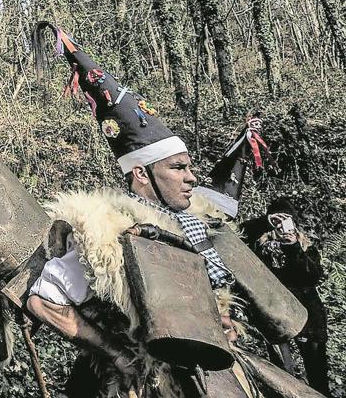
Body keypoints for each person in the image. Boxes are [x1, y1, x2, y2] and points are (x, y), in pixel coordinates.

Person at [26, 23, 242, 397]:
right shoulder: (108, 232)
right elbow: (43, 300)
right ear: (141, 173)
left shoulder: (195, 225)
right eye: (177, 168)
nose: (191, 178)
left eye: (189, 167)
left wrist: (222, 323)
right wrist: (116, 354)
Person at [243, 197, 330, 395]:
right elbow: (239, 234)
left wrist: (293, 248)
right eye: (278, 221)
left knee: (318, 376)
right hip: (275, 316)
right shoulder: (259, 247)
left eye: (287, 220)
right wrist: (265, 222)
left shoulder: (305, 247)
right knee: (283, 374)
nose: (282, 226)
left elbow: (312, 276)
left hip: (308, 318)